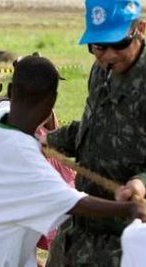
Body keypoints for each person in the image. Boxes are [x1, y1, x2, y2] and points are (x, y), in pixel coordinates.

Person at [0, 55, 146, 267]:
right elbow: (79, 204)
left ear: (9, 93)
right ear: (52, 101)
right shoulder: (28, 160)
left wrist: (48, 140)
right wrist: (129, 209)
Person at [41, 0, 146, 266]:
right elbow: (93, 128)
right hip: (80, 230)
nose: (108, 55)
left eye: (118, 44)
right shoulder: (101, 71)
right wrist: (45, 139)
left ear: (141, 30)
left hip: (126, 240)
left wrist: (140, 182)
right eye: (98, 46)